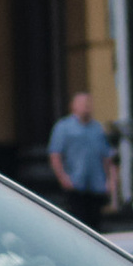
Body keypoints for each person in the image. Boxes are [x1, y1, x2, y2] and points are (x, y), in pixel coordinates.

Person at [47, 88, 114, 229]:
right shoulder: (64, 127)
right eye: (83, 104)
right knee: (78, 223)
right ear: (74, 106)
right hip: (76, 183)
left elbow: (107, 156)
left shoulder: (97, 128)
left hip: (96, 184)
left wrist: (110, 180)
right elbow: (55, 155)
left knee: (96, 223)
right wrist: (63, 178)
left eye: (88, 104)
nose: (87, 107)